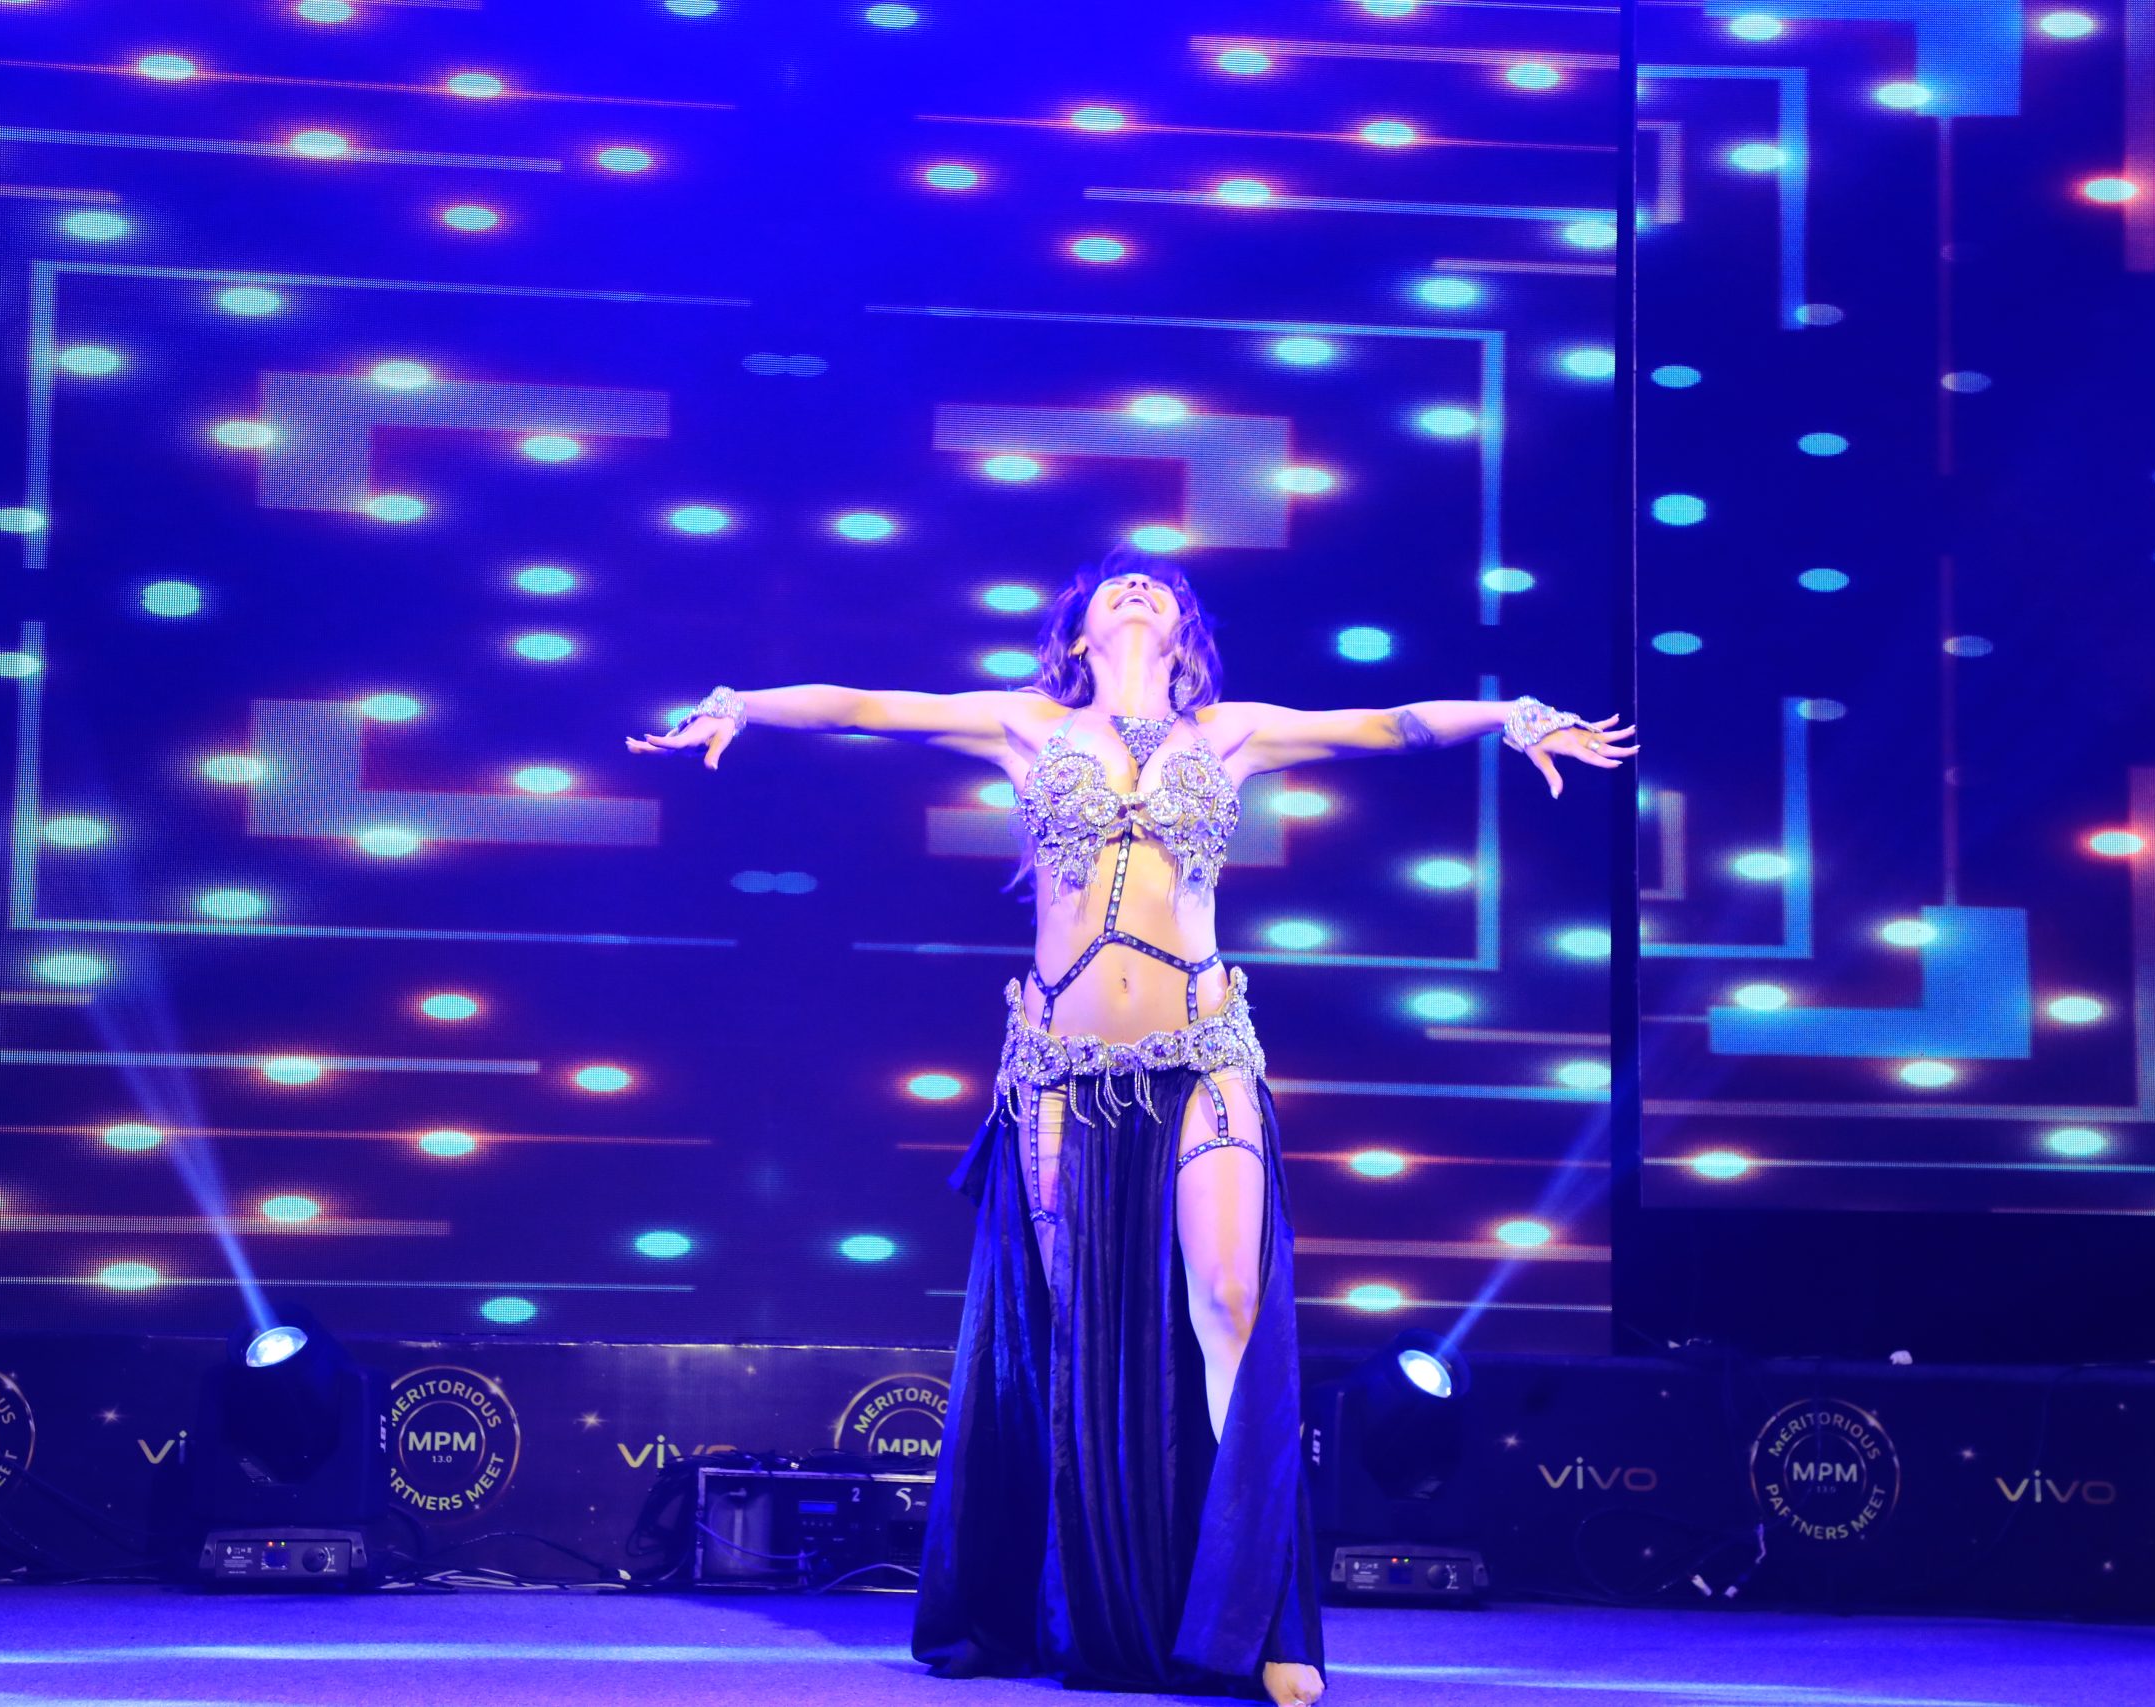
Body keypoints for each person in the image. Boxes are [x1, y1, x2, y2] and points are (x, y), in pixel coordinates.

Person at [625, 548, 1635, 1703]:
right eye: (1115, 585)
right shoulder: (1023, 725)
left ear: (1186, 631)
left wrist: (1511, 715)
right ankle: (1098, 1603)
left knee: (1231, 1306)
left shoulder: (1232, 734)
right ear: (1077, 632)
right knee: (1081, 1342)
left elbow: (1388, 726)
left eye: (1160, 586)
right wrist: (743, 704)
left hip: (1203, 1053)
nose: (1139, 588)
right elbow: (866, 707)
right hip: (1061, 1071)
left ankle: (1259, 1620)